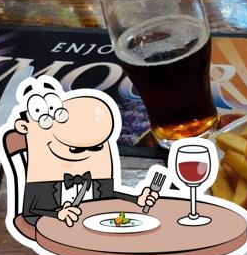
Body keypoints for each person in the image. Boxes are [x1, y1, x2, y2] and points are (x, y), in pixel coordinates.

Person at [13, 78, 158, 227]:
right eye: (77, 149)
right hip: (48, 233)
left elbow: (109, 196)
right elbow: (30, 213)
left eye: (96, 147)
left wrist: (136, 200)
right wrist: (57, 214)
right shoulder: (45, 172)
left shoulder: (97, 167)